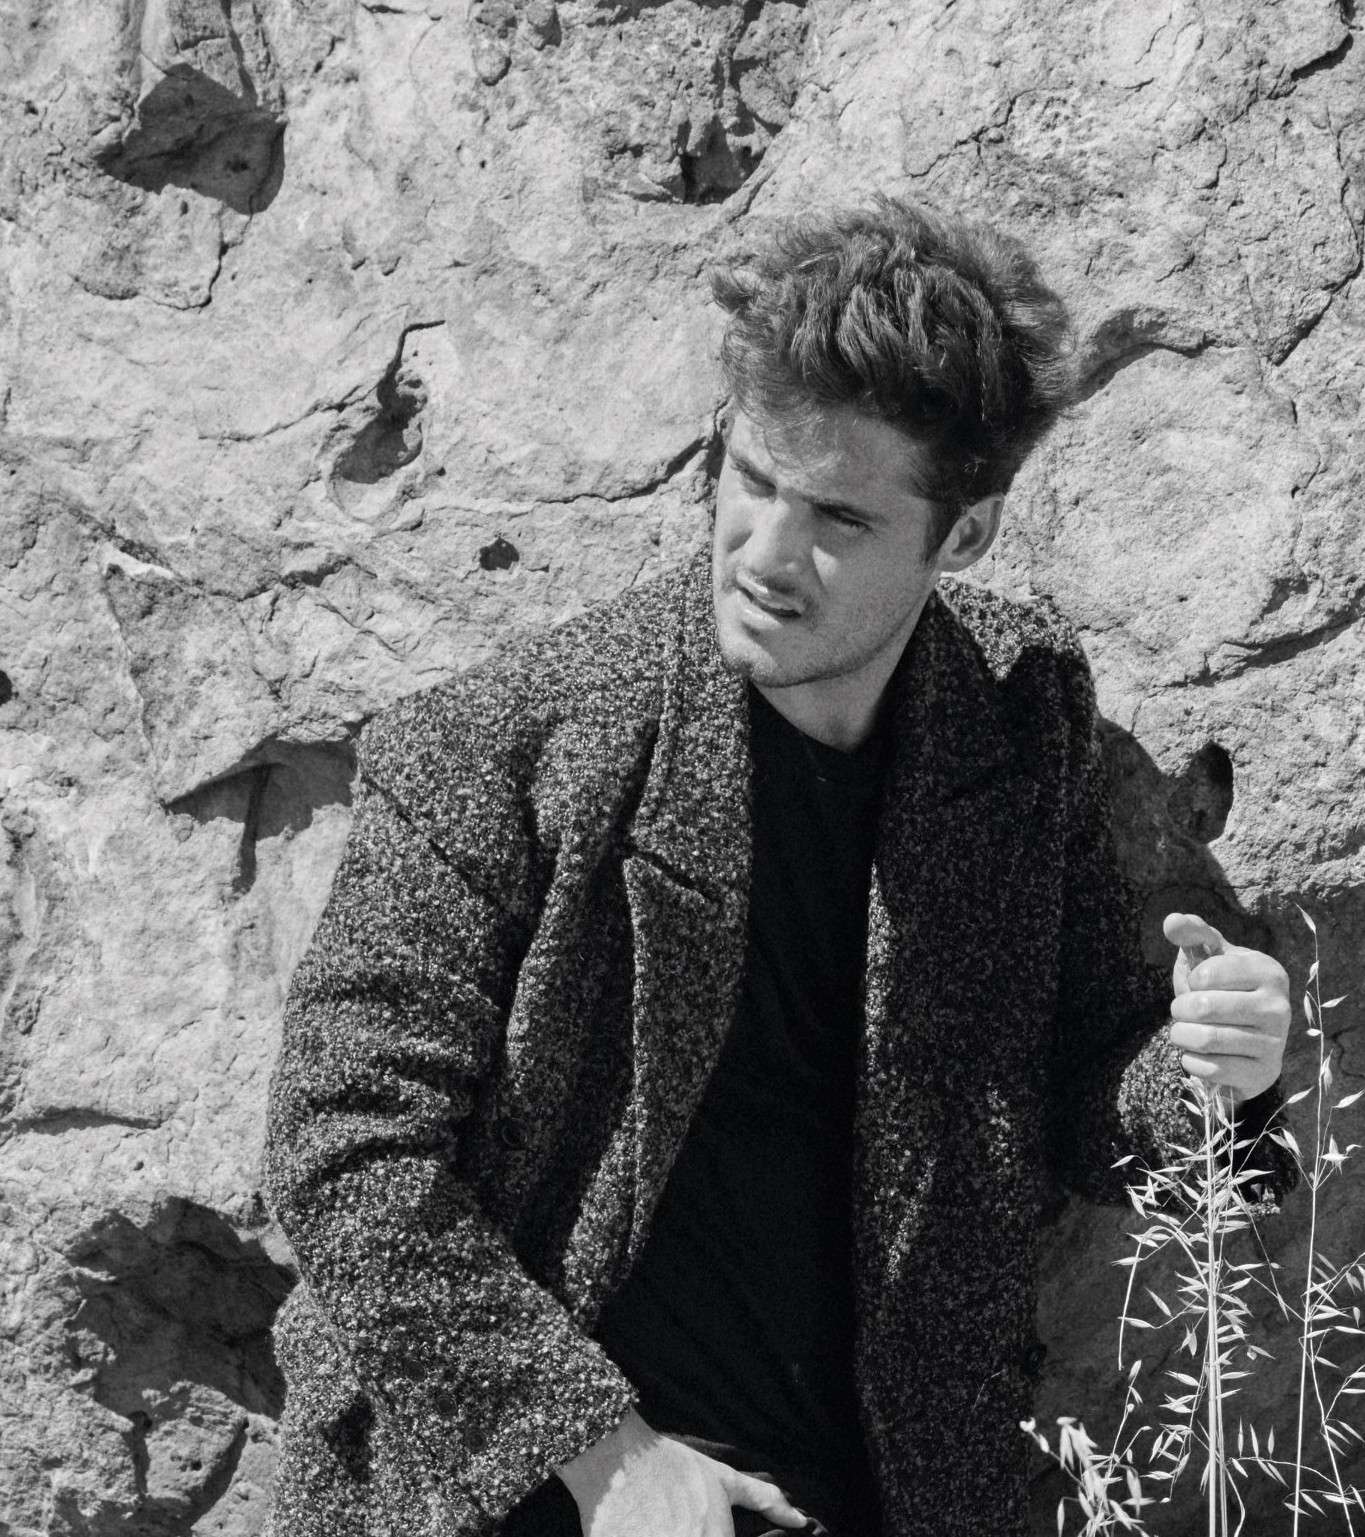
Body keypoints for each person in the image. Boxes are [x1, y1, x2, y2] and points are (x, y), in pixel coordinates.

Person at [262, 196, 1293, 1537]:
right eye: (751, 479)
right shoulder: (498, 748)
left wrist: (1215, 1078)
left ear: (962, 536)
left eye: (838, 518)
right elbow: (344, 1148)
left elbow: (1094, 1081)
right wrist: (602, 1455)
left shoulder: (1016, 716)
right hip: (539, 1489)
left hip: (892, 1493)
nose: (765, 555)